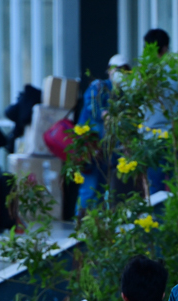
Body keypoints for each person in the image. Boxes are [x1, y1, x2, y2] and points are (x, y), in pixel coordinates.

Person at [140, 29, 178, 195]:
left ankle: (158, 221)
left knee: (155, 192)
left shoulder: (143, 73)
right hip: (176, 139)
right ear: (166, 47)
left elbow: (132, 107)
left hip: (151, 141)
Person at [76, 54, 130, 213]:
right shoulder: (98, 87)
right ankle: (81, 226)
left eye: (125, 70)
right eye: (118, 69)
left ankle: (96, 226)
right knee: (90, 189)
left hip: (108, 152)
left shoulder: (123, 95)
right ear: (109, 71)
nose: (121, 73)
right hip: (92, 149)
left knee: (103, 190)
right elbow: (95, 110)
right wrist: (108, 116)